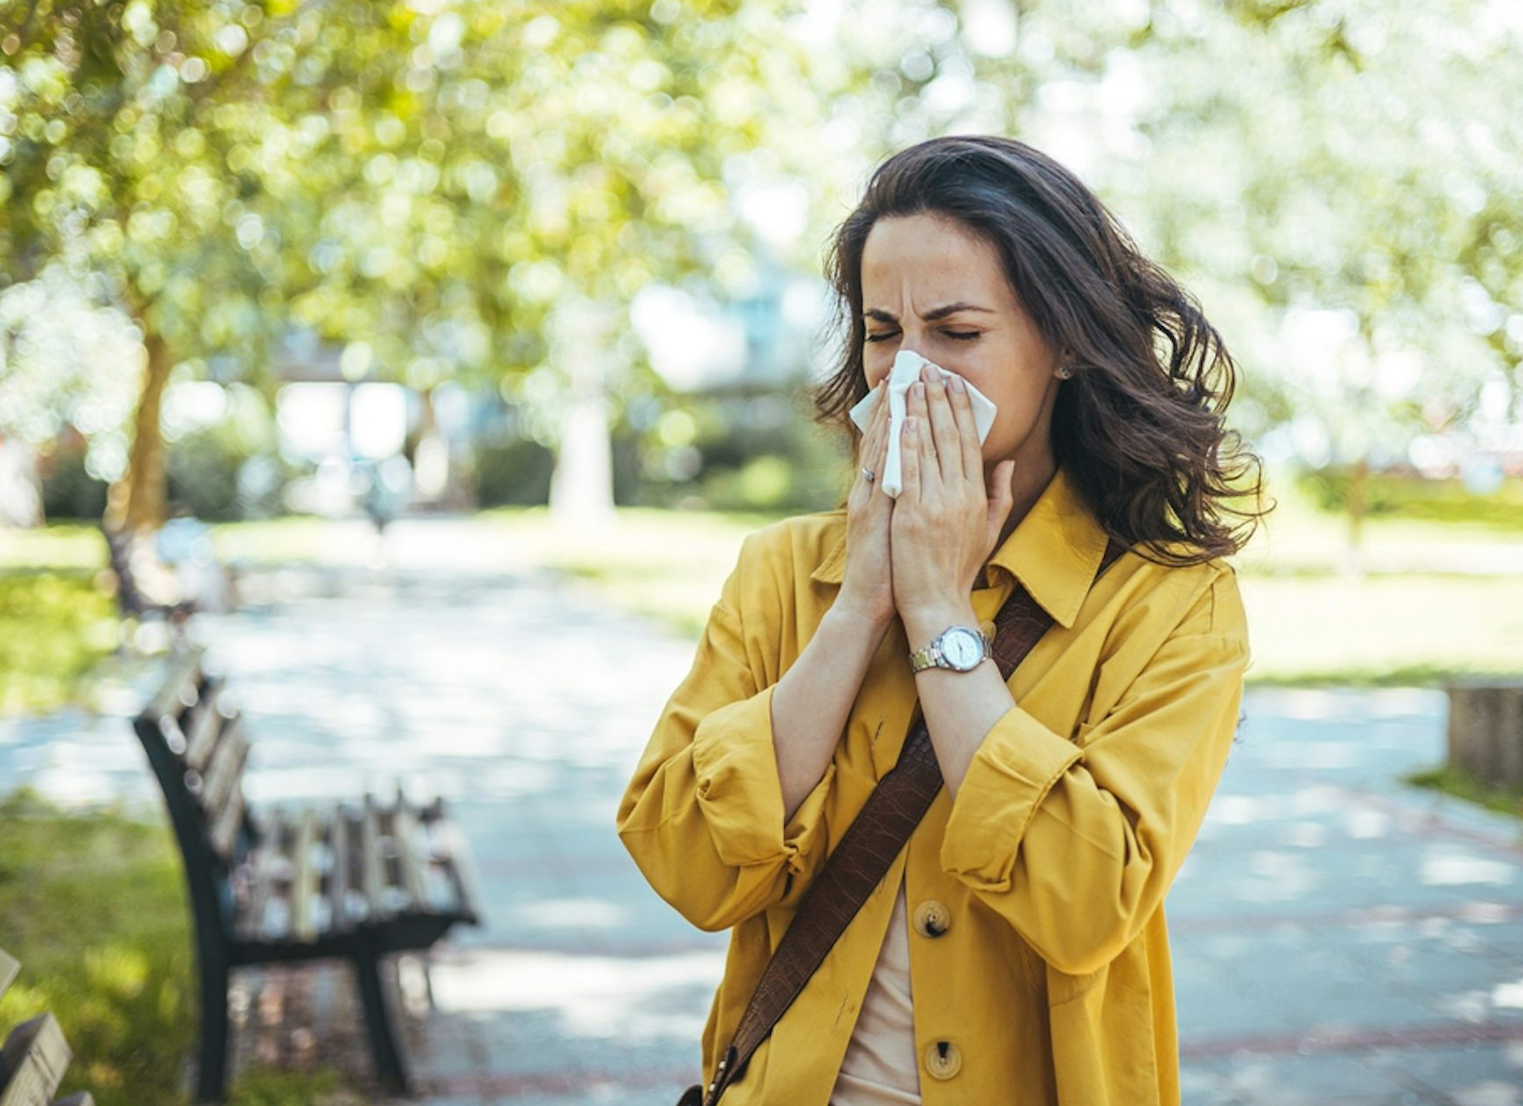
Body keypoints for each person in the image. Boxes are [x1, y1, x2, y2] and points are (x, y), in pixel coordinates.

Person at [617, 135, 1271, 1105]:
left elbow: (1089, 901)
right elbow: (683, 861)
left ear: (1058, 344)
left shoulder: (1167, 602)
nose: (906, 374)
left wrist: (935, 609)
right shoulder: (780, 572)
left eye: (955, 332)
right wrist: (860, 606)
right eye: (883, 332)